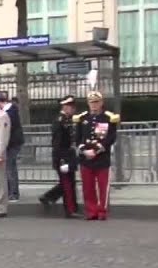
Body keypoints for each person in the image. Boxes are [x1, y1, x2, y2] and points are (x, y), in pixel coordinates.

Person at [74, 91, 119, 220]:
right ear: (88, 103)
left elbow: (111, 137)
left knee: (102, 187)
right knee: (88, 187)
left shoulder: (108, 118)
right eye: (91, 102)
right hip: (86, 158)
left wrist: (97, 150)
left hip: (102, 158)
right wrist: (84, 150)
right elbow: (78, 138)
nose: (94, 105)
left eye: (96, 102)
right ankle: (91, 211)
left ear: (101, 103)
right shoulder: (82, 118)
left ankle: (102, 211)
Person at [39, 95, 78, 217]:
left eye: (73, 107)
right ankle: (70, 210)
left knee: (70, 183)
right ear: (65, 107)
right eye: (71, 107)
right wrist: (61, 160)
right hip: (63, 156)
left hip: (69, 155)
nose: (73, 109)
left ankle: (48, 197)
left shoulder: (68, 119)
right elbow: (57, 142)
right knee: (67, 184)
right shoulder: (59, 121)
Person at [5, 94, 24, 201]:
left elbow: (9, 128)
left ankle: (13, 193)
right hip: (12, 143)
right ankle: (11, 192)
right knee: (9, 168)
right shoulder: (11, 110)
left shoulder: (10, 111)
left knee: (10, 168)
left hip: (12, 143)